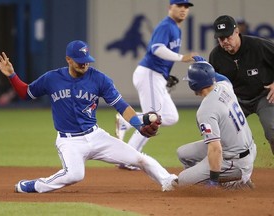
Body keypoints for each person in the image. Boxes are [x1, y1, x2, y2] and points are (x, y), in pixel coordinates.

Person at [0, 40, 179, 193]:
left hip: (96, 136)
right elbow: (26, 93)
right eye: (79, 60)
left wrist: (139, 124)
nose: (84, 63)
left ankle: (168, 181)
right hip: (69, 141)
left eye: (87, 60)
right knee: (75, 175)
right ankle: (34, 185)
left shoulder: (100, 79)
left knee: (140, 159)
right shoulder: (52, 79)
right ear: (68, 59)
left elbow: (122, 106)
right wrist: (12, 75)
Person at [115, 0, 198, 170]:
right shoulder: (166, 25)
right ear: (170, 7)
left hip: (156, 75)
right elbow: (156, 49)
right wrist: (181, 58)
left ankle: (128, 120)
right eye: (179, 6)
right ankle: (129, 159)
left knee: (170, 116)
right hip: (149, 73)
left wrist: (165, 73)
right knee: (152, 119)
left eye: (186, 7)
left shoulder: (176, 28)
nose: (183, 9)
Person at [176, 61, 257, 189]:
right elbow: (224, 78)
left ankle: (234, 183)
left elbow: (215, 148)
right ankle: (204, 175)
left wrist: (213, 179)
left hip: (234, 161)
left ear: (194, 84)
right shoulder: (224, 86)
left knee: (182, 181)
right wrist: (206, 67)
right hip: (248, 148)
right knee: (183, 153)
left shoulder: (206, 110)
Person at [209, 15, 274, 155]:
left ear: (237, 32)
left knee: (272, 130)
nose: (225, 41)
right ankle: (232, 170)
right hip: (235, 101)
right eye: (221, 38)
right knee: (222, 136)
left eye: (228, 36)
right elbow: (213, 85)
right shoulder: (216, 56)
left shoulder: (257, 46)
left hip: (264, 96)